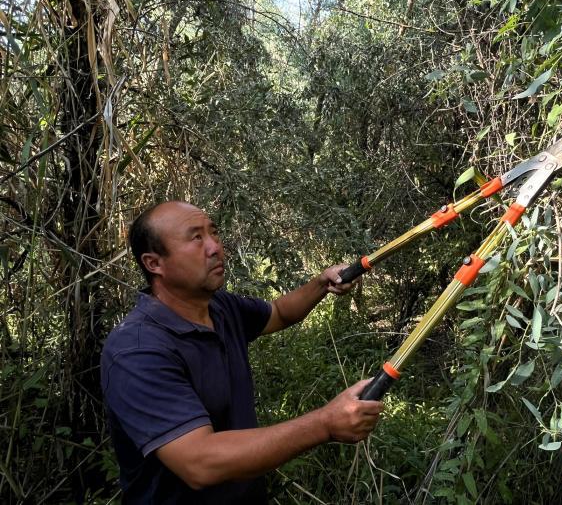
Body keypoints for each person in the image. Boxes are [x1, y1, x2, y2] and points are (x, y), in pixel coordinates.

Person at [101, 201, 384, 504]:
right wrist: (326, 422)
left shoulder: (220, 308)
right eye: (196, 238)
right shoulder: (138, 350)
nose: (214, 247)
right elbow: (199, 463)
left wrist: (321, 283)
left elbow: (279, 312)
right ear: (154, 263)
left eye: (214, 233)